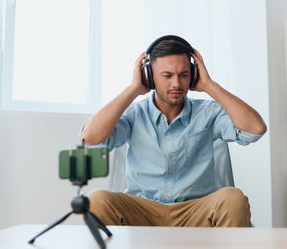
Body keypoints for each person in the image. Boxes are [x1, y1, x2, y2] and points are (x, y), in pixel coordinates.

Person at [80, 35, 266, 227]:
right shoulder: (134, 113)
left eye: (184, 75)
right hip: (142, 211)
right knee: (96, 201)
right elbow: (89, 139)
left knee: (233, 198)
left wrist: (209, 85)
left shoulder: (208, 112)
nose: (177, 84)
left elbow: (255, 129)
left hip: (195, 212)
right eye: (167, 76)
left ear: (193, 75)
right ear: (149, 77)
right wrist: (133, 89)